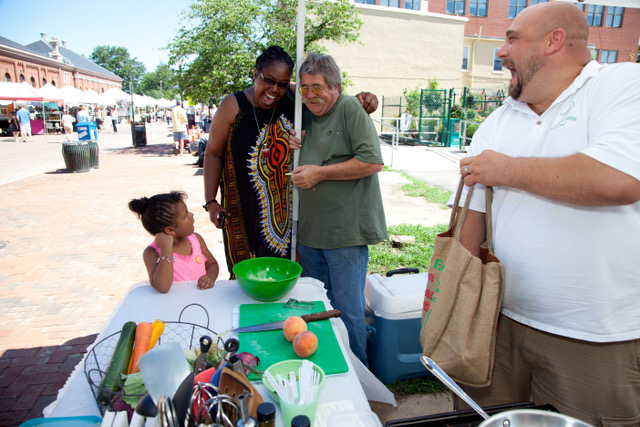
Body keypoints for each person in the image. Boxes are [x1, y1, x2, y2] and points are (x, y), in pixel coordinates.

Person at [453, 2, 640, 425]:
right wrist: (450, 308)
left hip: (596, 341)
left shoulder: (620, 84)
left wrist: (503, 168)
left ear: (554, 40)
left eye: (512, 38)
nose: (501, 51)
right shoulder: (499, 120)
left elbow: (618, 179)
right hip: (498, 325)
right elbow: (470, 219)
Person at [203, 46, 378, 278]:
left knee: (286, 279)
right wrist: (210, 201)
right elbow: (213, 153)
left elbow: (328, 96)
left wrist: (362, 99)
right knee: (246, 279)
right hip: (240, 212)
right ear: (256, 73)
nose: (275, 89)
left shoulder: (294, 99)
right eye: (269, 80)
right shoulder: (232, 106)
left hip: (286, 215)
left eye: (283, 83)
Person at [290, 53, 387, 366]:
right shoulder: (302, 111)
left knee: (348, 310)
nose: (311, 94)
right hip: (310, 233)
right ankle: (327, 369)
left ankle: (360, 377)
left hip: (345, 233)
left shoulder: (348, 108)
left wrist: (319, 172)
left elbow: (372, 161)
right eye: (305, 88)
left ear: (336, 87)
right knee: (317, 307)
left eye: (318, 87)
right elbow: (286, 87)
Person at [128, 191, 219, 294]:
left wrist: (210, 277)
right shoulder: (152, 253)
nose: (191, 215)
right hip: (174, 307)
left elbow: (212, 264)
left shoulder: (196, 239)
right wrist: (166, 250)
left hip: (200, 301)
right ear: (170, 230)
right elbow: (163, 287)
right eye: (185, 215)